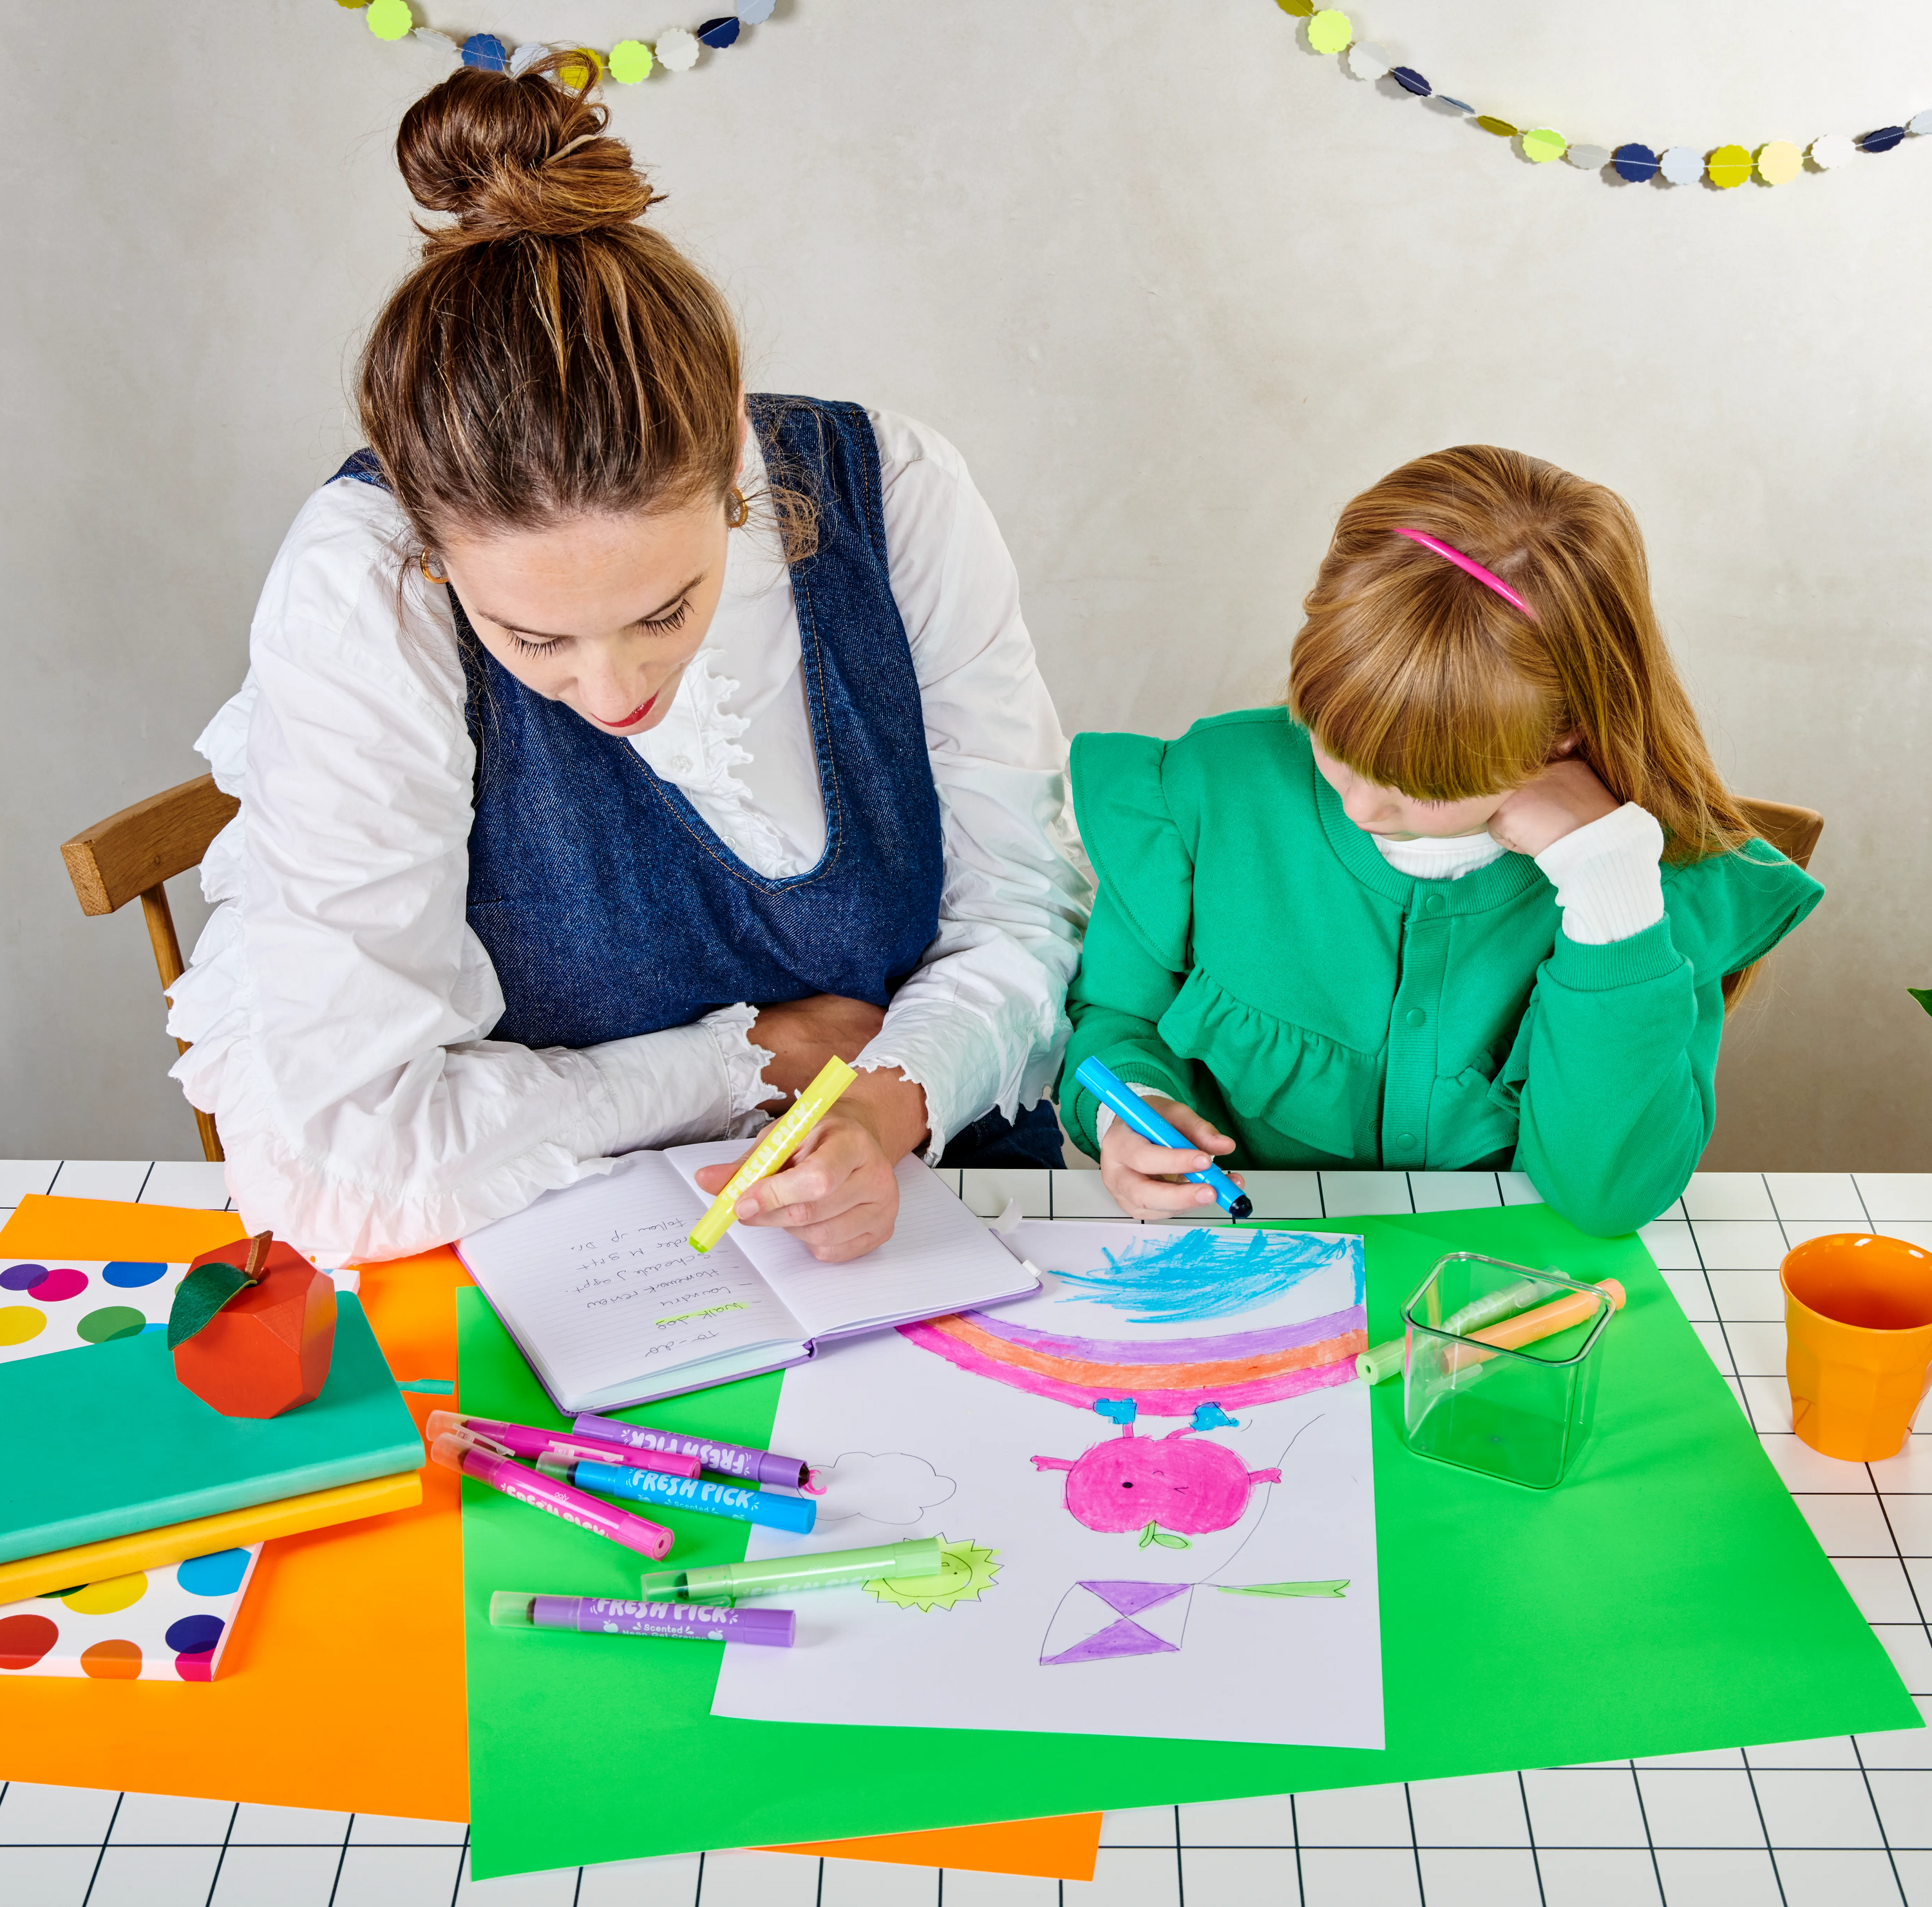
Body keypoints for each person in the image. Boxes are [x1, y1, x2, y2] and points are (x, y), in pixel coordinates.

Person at [169, 57, 1088, 1264]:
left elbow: (1020, 912)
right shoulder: (361, 580)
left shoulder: (897, 497)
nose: (615, 694)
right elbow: (343, 1160)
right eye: (533, 640)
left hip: (918, 1228)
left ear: (736, 486)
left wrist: (888, 1098)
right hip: (557, 1258)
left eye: (668, 608)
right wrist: (740, 1060)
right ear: (431, 552)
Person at [1058, 444, 1821, 1236]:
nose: (1359, 807)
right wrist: (1130, 1110)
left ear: (1562, 734)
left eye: (1420, 786)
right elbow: (1117, 1015)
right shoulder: (1206, 791)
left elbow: (1609, 1197)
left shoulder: (1646, 883)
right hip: (1237, 1267)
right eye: (1329, 740)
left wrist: (1607, 889)